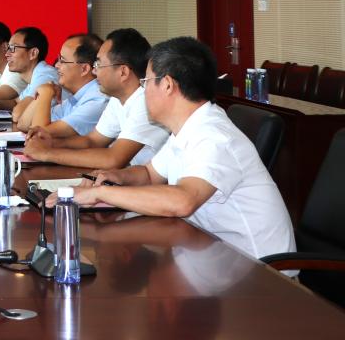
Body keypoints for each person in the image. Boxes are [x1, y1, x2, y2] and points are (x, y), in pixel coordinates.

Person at [59, 36, 295, 261]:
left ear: (168, 85)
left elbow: (183, 200)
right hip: (210, 254)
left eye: (145, 83)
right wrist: (112, 177)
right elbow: (149, 174)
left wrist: (101, 193)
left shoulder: (214, 136)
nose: (143, 92)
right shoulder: (187, 127)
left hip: (257, 271)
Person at [23, 28, 169, 168]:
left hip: (151, 180)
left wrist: (47, 153)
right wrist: (50, 143)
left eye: (98, 64)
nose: (94, 71)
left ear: (123, 72)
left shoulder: (145, 101)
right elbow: (92, 140)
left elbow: (114, 159)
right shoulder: (118, 99)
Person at [14, 33, 107, 135]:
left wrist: (45, 95)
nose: (56, 65)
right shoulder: (76, 98)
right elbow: (23, 125)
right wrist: (42, 96)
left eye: (62, 60)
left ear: (84, 69)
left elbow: (39, 135)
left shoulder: (97, 99)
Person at [6, 26, 59, 118]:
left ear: (33, 53)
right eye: (8, 48)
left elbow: (19, 114)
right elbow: (16, 102)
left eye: (13, 48)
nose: (7, 54)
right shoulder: (35, 75)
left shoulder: (45, 75)